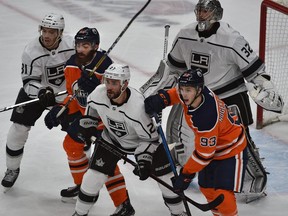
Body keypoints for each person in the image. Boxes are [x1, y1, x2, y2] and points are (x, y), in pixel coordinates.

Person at [140, 0, 283, 200]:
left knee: (236, 143)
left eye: (205, 11)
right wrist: (159, 91)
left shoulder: (232, 39)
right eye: (199, 10)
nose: (201, 15)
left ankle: (252, 183)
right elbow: (174, 69)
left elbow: (256, 72)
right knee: (186, 138)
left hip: (228, 97)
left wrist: (266, 88)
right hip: (195, 95)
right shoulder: (185, 35)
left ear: (216, 14)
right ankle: (182, 167)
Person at [69, 63, 188, 216]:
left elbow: (150, 140)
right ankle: (79, 213)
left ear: (125, 84)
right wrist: (86, 128)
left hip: (142, 143)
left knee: (167, 179)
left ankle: (178, 213)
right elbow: (92, 116)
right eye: (107, 81)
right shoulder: (98, 94)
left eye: (114, 83)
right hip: (111, 139)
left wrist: (143, 160)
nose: (109, 87)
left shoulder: (137, 109)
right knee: (92, 178)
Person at [43, 27, 133, 214]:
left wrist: (99, 87)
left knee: (104, 161)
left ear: (96, 46)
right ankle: (83, 187)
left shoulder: (106, 68)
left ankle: (124, 204)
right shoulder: (71, 65)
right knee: (71, 145)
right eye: (78, 45)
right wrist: (62, 110)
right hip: (88, 118)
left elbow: (117, 100)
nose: (80, 49)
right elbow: (73, 95)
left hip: (109, 121)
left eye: (86, 45)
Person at [144, 68, 248, 216]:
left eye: (188, 90)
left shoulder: (206, 116)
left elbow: (204, 155)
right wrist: (163, 98)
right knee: (206, 188)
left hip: (231, 149)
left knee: (222, 194)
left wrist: (186, 175)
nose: (183, 94)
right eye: (182, 89)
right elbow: (177, 94)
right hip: (212, 147)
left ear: (199, 90)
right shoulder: (194, 95)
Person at [1, 13, 75, 190]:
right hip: (38, 93)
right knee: (18, 129)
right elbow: (28, 82)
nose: (47, 35)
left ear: (60, 33)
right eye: (44, 30)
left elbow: (88, 61)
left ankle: (85, 174)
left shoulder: (72, 45)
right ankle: (12, 169)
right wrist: (41, 91)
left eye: (52, 31)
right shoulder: (31, 51)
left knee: (80, 133)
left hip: (66, 96)